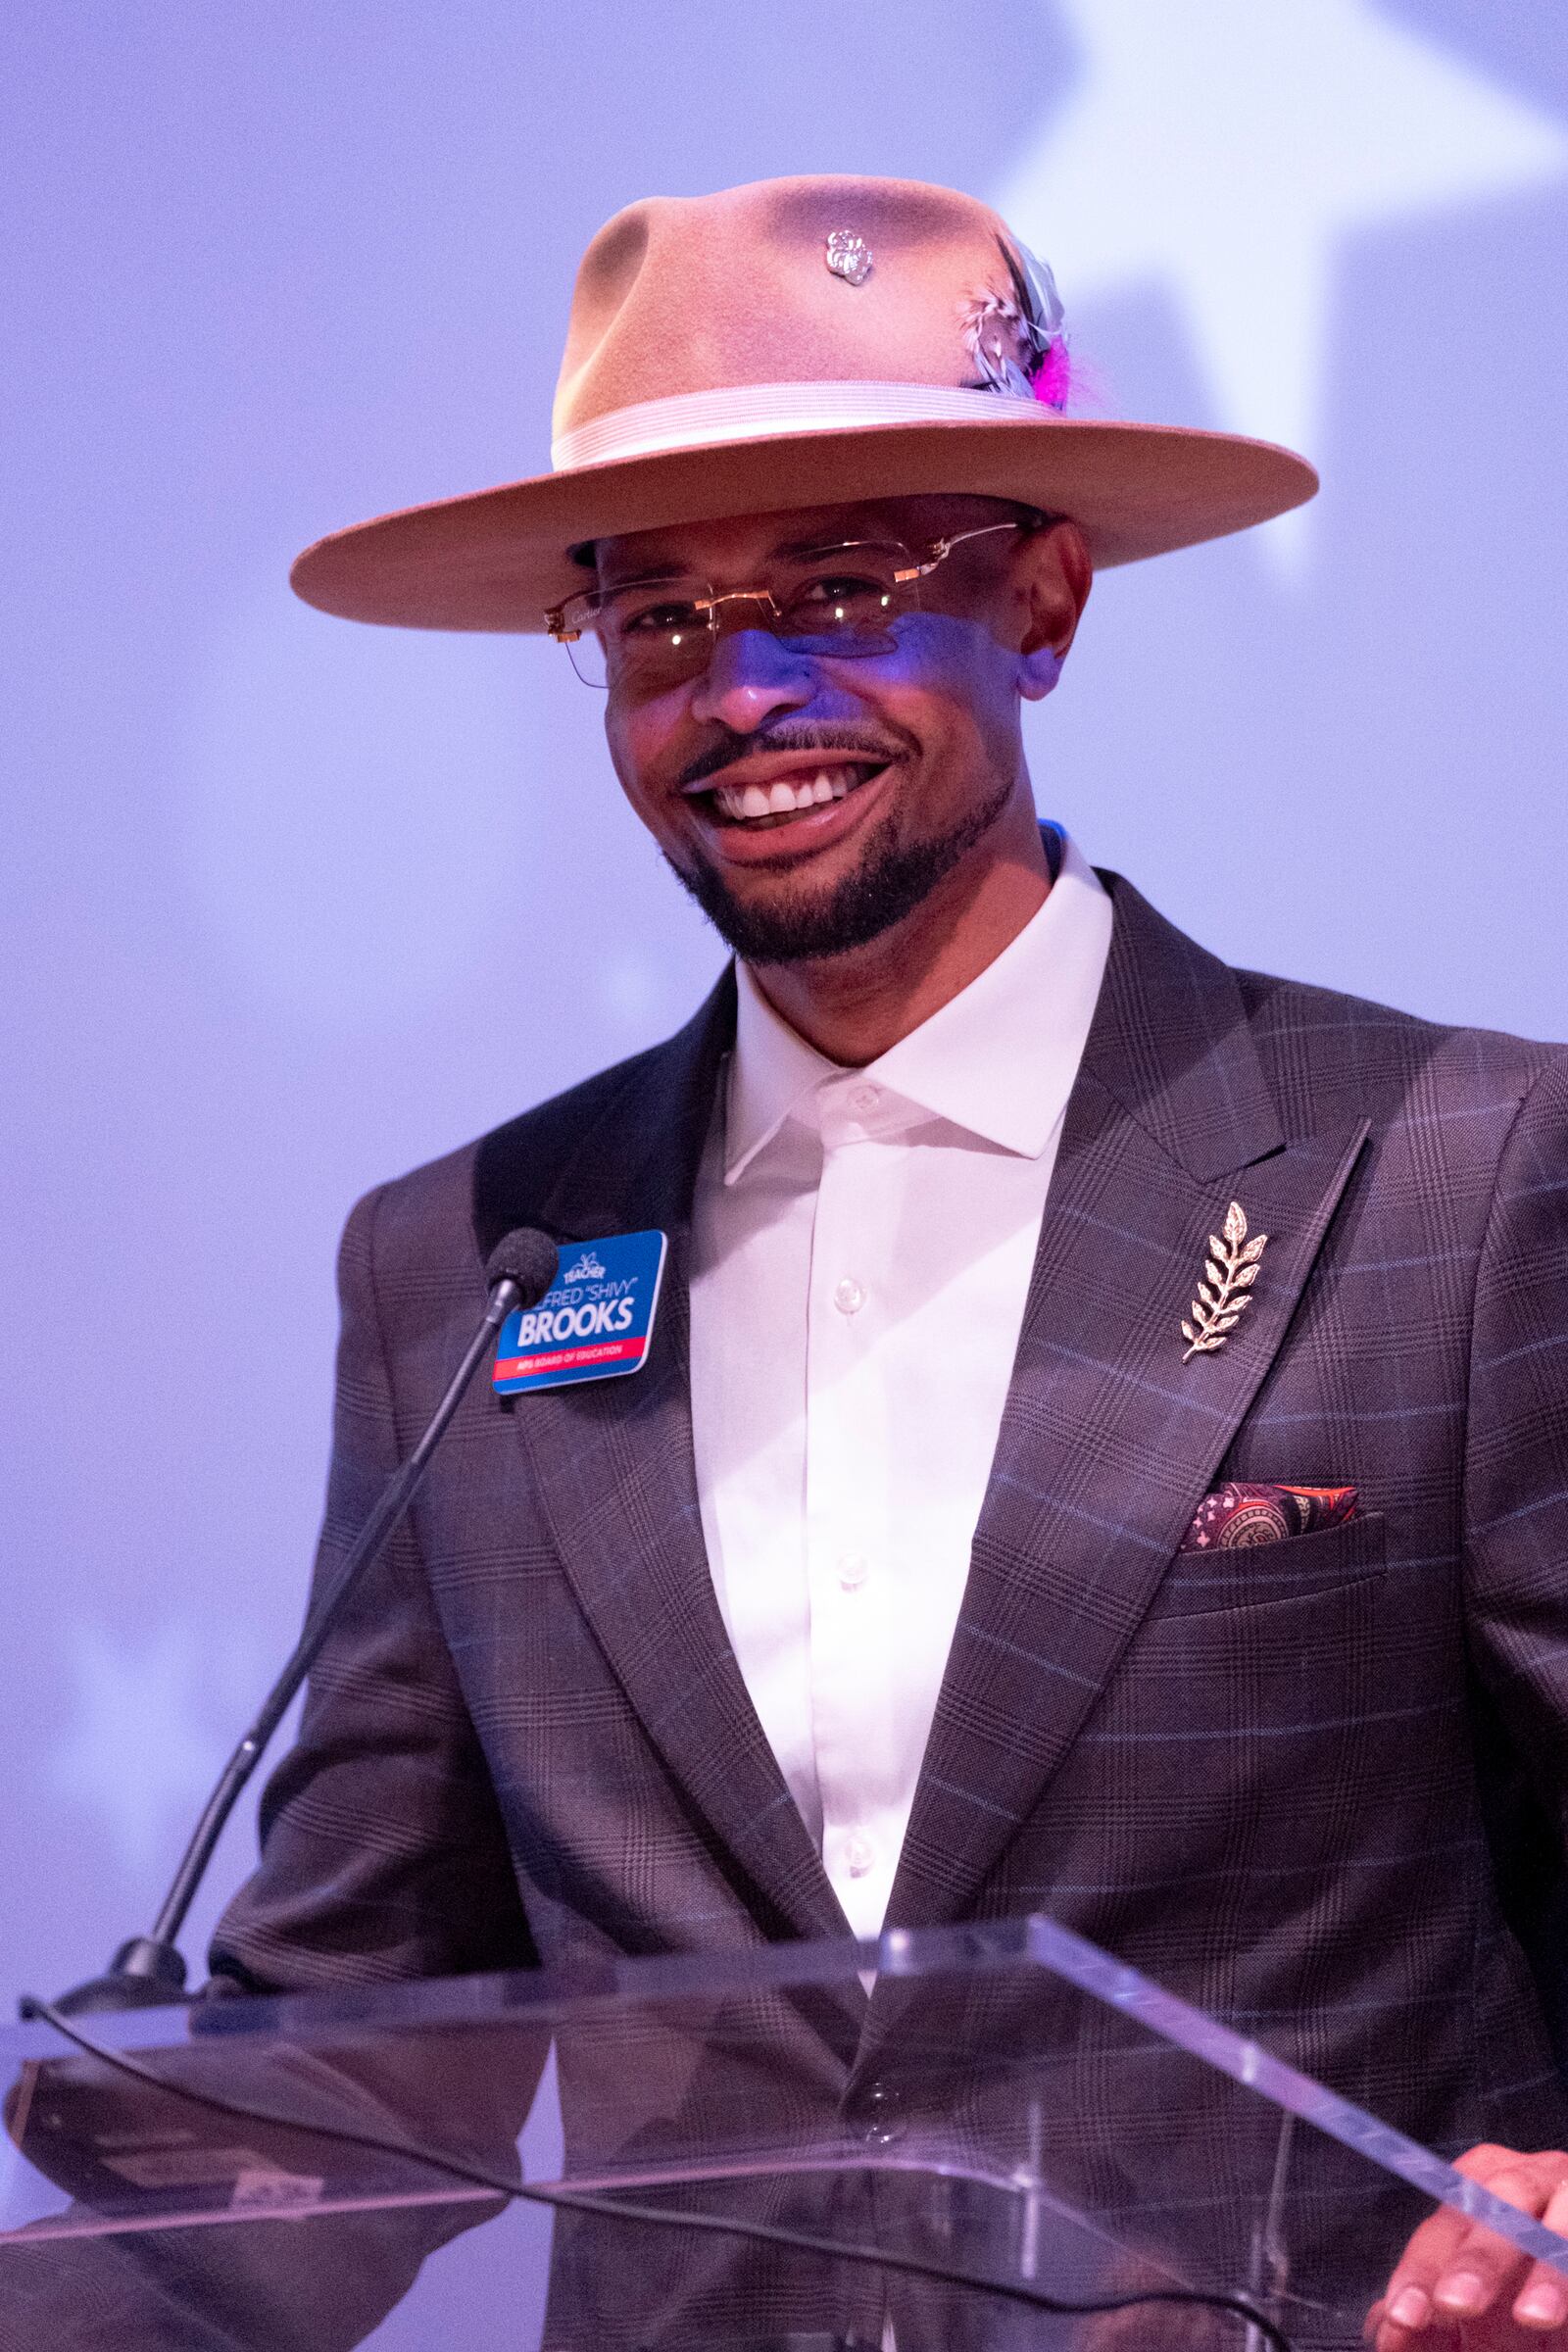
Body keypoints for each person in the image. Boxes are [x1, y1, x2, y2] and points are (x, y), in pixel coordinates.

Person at [198, 174, 1568, 2346]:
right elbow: (360, 2046)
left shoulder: (1457, 1174)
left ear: (1038, 604)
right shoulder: (459, 1266)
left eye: (835, 589)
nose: (738, 695)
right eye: (653, 621)